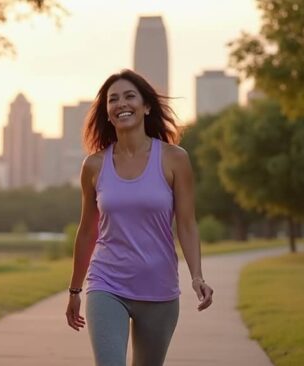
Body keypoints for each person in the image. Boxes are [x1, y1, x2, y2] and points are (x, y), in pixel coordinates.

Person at [65, 69, 214, 366]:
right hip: (107, 283)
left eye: (130, 96)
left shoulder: (175, 159)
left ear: (146, 106)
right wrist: (75, 290)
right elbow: (87, 231)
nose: (121, 103)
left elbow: (186, 224)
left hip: (159, 288)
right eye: (113, 99)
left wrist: (197, 276)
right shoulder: (94, 166)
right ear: (107, 113)